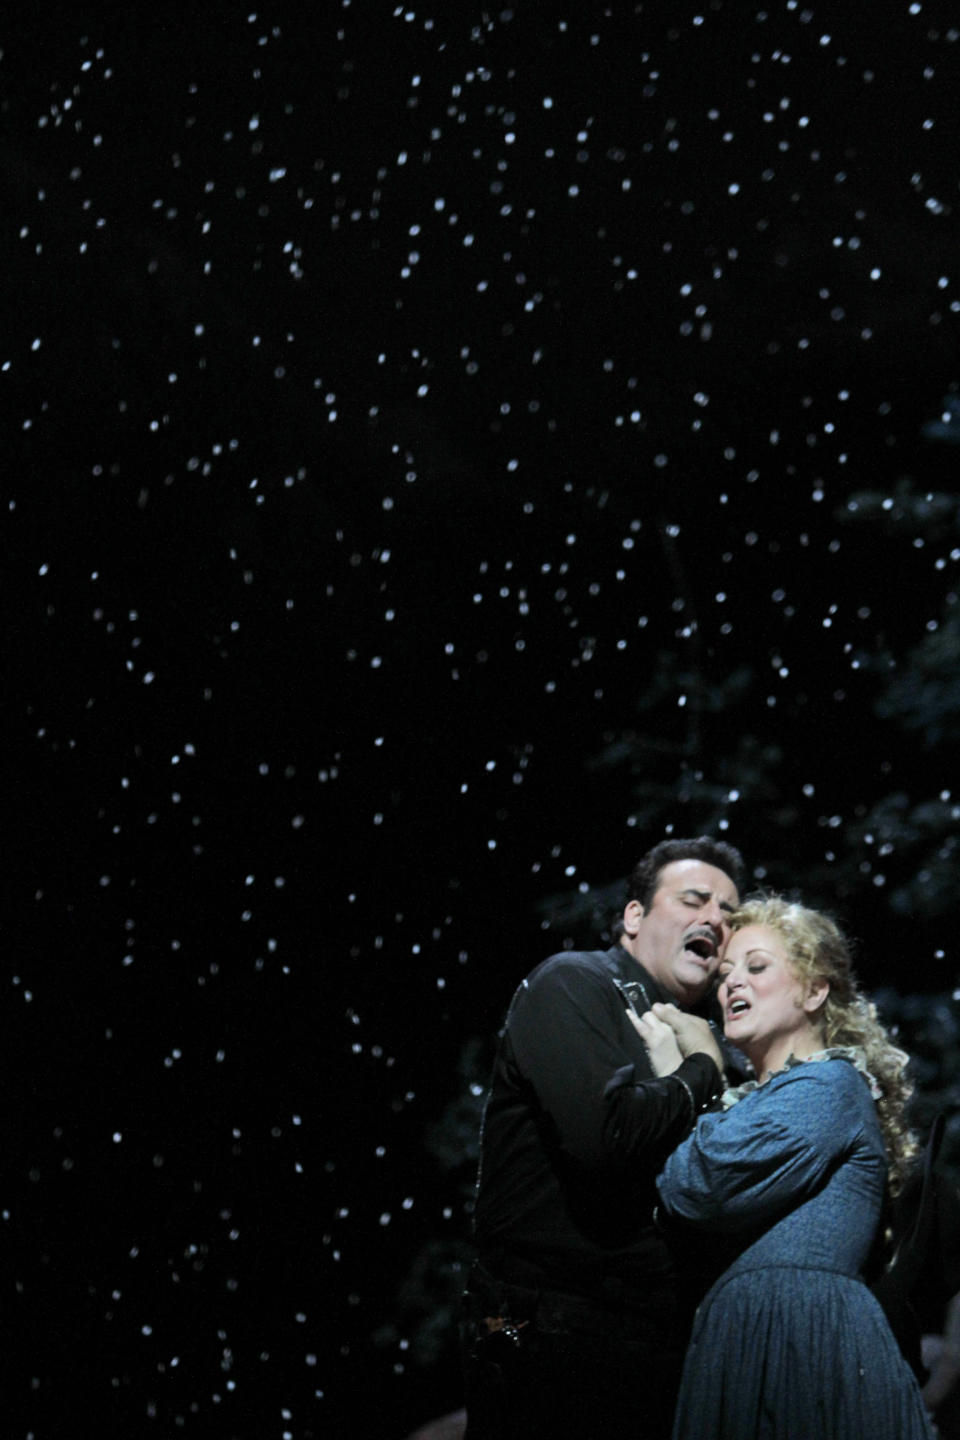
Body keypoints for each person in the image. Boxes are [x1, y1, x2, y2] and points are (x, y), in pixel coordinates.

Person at [459, 836, 744, 1440]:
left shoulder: (722, 1047)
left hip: (662, 1338)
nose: (716, 919)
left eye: (730, 913)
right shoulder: (574, 984)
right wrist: (699, 1070)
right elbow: (603, 1137)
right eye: (696, 899)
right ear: (634, 916)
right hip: (554, 1328)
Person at [644, 895, 936, 1440]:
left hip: (803, 1338)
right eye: (726, 974)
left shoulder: (828, 1085)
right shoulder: (754, 1102)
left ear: (813, 990)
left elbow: (700, 1186)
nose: (732, 983)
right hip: (746, 1335)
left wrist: (688, 1075)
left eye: (757, 967)